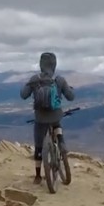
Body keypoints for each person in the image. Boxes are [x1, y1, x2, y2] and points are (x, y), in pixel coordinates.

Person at [19, 52, 76, 184]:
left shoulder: (35, 79)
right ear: (54, 65)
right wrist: (68, 89)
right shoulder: (59, 80)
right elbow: (71, 97)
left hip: (40, 118)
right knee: (57, 124)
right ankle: (61, 143)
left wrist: (29, 84)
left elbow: (23, 95)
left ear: (41, 65)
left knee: (39, 145)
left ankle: (38, 176)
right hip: (55, 116)